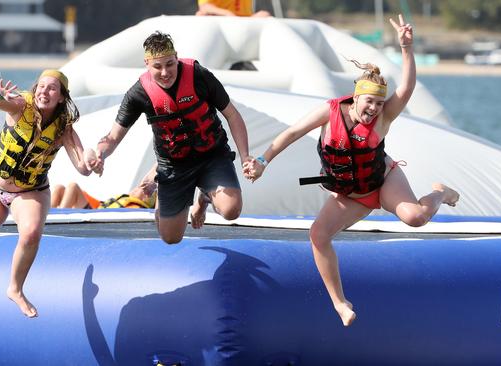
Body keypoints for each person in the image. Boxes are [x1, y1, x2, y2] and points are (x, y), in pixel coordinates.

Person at [243, 15, 460, 327]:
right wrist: (263, 162)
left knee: (415, 218)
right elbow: (290, 134)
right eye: (369, 101)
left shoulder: (383, 118)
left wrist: (407, 49)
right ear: (356, 96)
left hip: (382, 182)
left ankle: (440, 192)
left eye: (379, 103)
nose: (373, 108)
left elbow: (408, 87)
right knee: (318, 235)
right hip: (351, 193)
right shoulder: (330, 113)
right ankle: (340, 303)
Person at [91, 31, 251, 244]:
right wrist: (100, 154)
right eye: (157, 67)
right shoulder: (138, 94)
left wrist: (246, 156)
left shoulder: (199, 76)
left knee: (231, 210)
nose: (165, 72)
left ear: (177, 57)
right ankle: (161, 185)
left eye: (170, 64)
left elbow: (232, 114)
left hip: (212, 155)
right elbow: (112, 137)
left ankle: (204, 197)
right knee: (170, 238)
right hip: (174, 165)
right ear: (147, 64)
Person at [0, 69, 93, 318]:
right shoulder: (21, 104)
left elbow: (83, 167)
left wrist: (93, 162)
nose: (44, 91)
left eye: (52, 88)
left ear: (62, 97)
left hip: (30, 191)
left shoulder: (64, 127)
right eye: (41, 86)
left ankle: (15, 288)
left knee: (31, 233)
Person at [51, 163, 158, 209]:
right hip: (97, 208)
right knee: (59, 188)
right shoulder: (126, 199)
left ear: (146, 198)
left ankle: (59, 217)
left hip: (94, 217)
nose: (136, 188)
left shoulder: (135, 208)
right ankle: (48, 217)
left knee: (73, 186)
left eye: (140, 189)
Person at [195, 0, 271, 17]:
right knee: (201, 16)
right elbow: (204, 7)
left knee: (265, 15)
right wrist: (227, 13)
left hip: (244, 22)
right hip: (220, 20)